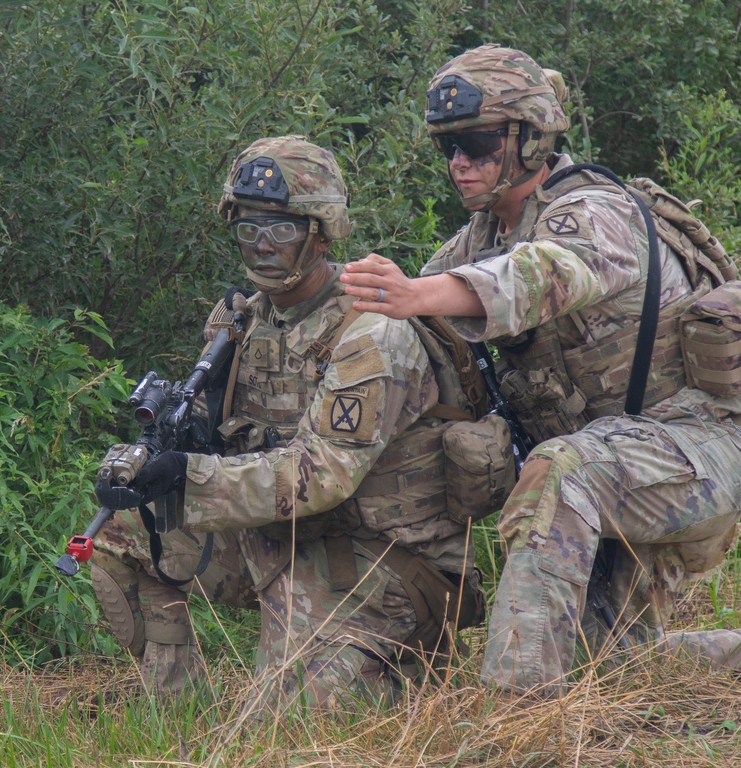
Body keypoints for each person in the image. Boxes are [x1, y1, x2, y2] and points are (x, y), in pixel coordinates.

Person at [340, 45, 741, 696]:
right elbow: (415, 303)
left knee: (559, 470)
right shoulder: (485, 235)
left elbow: (542, 275)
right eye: (446, 147)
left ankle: (519, 712)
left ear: (530, 140)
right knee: (609, 665)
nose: (458, 163)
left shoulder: (593, 211)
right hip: (616, 472)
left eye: (475, 142)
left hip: (697, 453)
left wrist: (420, 295)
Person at [90, 135, 485, 713]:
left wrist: (189, 476)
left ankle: (404, 676)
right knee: (120, 536)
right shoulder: (243, 321)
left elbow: (323, 473)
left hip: (385, 565)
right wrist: (154, 465)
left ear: (321, 232)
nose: (261, 246)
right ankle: (176, 712)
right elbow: (215, 429)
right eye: (249, 229)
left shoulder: (371, 331)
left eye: (280, 229)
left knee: (279, 733)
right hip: (290, 544)